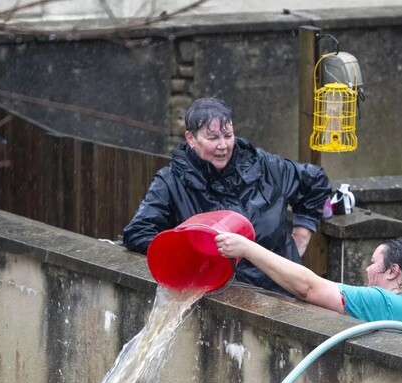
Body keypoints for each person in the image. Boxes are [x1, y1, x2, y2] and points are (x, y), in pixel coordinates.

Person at [122, 97, 331, 295]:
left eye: (228, 135)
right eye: (212, 138)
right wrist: (186, 253)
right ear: (191, 139)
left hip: (283, 293)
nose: (223, 146)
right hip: (220, 299)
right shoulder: (171, 181)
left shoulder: (264, 165)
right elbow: (138, 233)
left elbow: (315, 181)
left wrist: (303, 230)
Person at [214, 233, 402, 331]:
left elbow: (308, 288)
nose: (367, 269)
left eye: (373, 263)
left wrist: (247, 249)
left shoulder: (385, 302)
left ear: (393, 271)